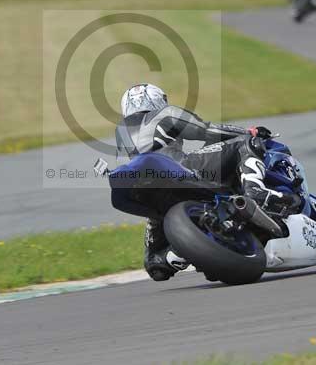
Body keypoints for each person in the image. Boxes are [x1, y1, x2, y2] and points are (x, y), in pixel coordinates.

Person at [112, 83, 302, 282]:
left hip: (144, 190)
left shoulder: (121, 132)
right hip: (178, 170)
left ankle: (177, 253)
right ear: (156, 100)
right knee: (246, 144)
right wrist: (249, 132)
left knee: (156, 263)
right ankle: (255, 191)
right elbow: (206, 130)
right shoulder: (165, 114)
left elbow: (156, 273)